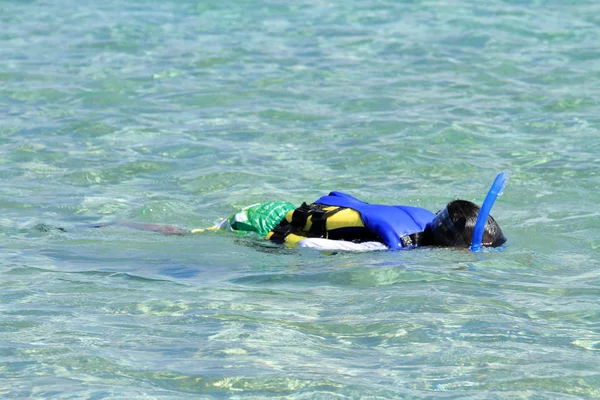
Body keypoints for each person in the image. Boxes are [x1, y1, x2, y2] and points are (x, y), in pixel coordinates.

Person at [192, 190, 506, 252]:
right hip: (259, 222)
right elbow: (309, 243)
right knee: (186, 235)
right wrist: (265, 243)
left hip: (286, 208)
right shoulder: (387, 244)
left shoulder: (423, 221)